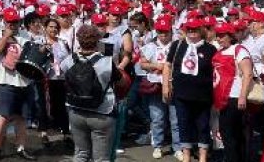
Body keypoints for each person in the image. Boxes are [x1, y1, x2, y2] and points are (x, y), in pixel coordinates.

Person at [61, 25, 125, 162]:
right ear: (97, 41)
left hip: (76, 111)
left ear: (78, 40)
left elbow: (64, 77)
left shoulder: (68, 61)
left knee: (81, 154)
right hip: (102, 113)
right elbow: (122, 83)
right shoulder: (106, 62)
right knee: (101, 159)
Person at [163, 18, 216, 162]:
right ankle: (186, 155)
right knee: (183, 123)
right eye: (190, 30)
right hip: (181, 93)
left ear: (201, 31)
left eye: (195, 30)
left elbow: (216, 72)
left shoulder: (210, 49)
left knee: (203, 125)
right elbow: (167, 65)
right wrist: (166, 86)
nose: (192, 33)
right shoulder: (177, 45)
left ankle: (203, 156)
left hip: (203, 95)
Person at [0, 7, 36, 161]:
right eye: (9, 22)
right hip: (6, 82)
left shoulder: (26, 35)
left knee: (22, 117)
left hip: (24, 81)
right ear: (4, 21)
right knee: (4, 115)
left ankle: (21, 147)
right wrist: (5, 38)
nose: (12, 25)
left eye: (15, 22)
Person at [139, 16, 181, 160]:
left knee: (175, 119)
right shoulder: (150, 46)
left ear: (171, 31)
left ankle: (178, 147)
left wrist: (169, 69)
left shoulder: (177, 45)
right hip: (155, 85)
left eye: (166, 32)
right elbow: (142, 64)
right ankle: (157, 146)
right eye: (160, 32)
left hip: (173, 84)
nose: (163, 35)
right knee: (157, 118)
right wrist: (156, 66)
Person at [212, 22, 253, 162]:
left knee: (231, 134)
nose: (219, 38)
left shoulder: (239, 50)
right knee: (229, 134)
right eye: (217, 35)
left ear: (230, 36)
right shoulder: (220, 51)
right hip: (222, 97)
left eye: (222, 35)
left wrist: (242, 96)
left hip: (234, 97)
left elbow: (248, 74)